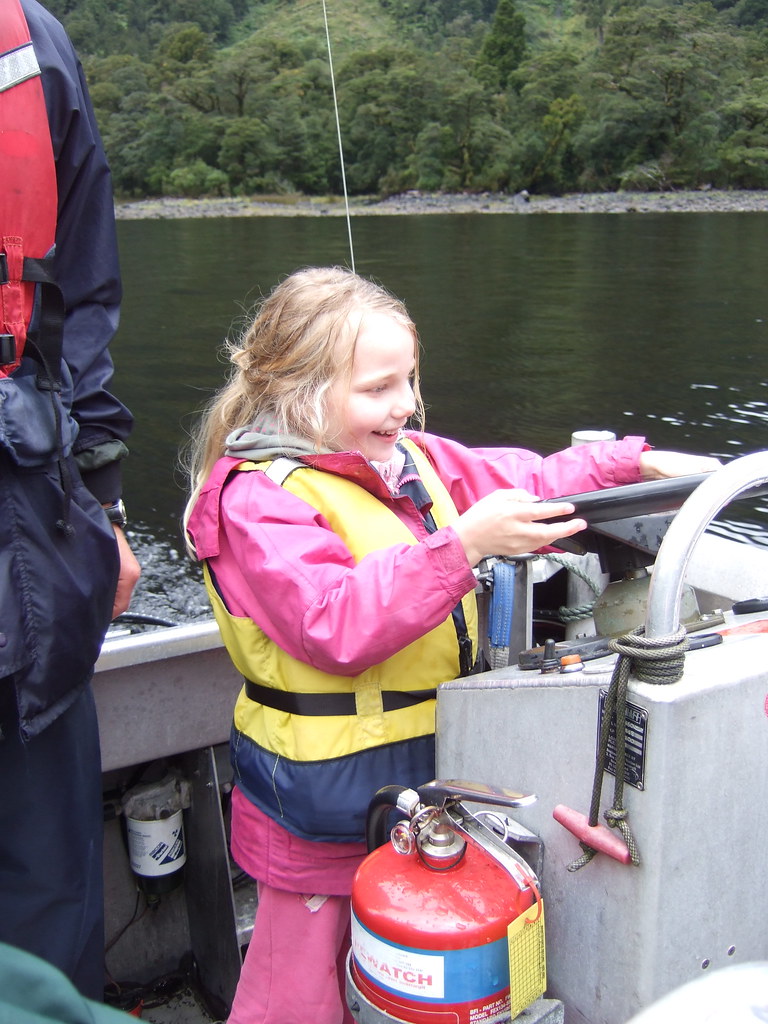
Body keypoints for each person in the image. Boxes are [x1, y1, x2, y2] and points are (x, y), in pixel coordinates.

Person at [183, 266, 719, 1024]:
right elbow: (332, 623)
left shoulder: (412, 461)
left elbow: (529, 476)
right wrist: (461, 546)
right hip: (317, 807)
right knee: (295, 993)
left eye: (409, 379)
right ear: (297, 392)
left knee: (402, 971)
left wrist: (633, 461)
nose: (403, 404)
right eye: (377, 388)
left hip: (413, 785)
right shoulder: (254, 499)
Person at [0, 0, 140, 1003]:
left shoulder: (29, 44)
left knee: (47, 870)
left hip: (32, 530)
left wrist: (107, 508)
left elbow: (76, 298)